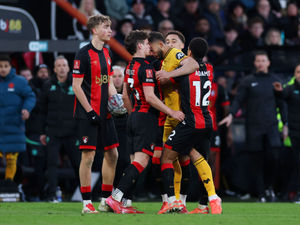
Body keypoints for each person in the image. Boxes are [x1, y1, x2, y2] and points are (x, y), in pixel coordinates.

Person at [105, 30, 185, 214]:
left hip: (133, 117)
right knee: (142, 161)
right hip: (146, 118)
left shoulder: (129, 66)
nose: (150, 45)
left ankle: (126, 203)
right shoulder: (147, 68)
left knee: (135, 160)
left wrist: (134, 115)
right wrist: (171, 111)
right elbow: (150, 97)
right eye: (147, 43)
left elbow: (125, 96)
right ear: (140, 45)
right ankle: (115, 197)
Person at [157, 37, 222, 214]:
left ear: (189, 52)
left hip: (190, 121)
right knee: (198, 157)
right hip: (207, 120)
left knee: (167, 158)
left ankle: (172, 201)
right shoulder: (210, 68)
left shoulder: (183, 71)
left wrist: (166, 71)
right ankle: (209, 201)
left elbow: (164, 82)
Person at [219, 51, 287, 202]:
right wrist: (231, 114)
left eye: (264, 60)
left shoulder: (276, 80)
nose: (261, 63)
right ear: (255, 63)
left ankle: (269, 187)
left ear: (268, 62)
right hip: (254, 126)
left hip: (271, 125)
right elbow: (238, 100)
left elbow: (282, 104)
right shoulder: (247, 81)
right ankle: (261, 193)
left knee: (274, 157)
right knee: (256, 161)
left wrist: (286, 123)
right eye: (258, 61)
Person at [72, 15, 119, 214]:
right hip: (87, 113)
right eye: (106, 27)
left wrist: (117, 103)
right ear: (94, 29)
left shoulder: (107, 53)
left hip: (105, 112)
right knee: (88, 157)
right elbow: (76, 86)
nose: (110, 30)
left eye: (110, 27)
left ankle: (106, 200)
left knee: (113, 154)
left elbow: (107, 82)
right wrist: (90, 111)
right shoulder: (83, 54)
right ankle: (86, 203)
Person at [38, 56, 81, 202]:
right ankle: (52, 195)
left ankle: (84, 195)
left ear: (69, 68)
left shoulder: (76, 85)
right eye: (59, 66)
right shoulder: (48, 85)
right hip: (53, 132)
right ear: (54, 69)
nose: (62, 68)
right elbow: (42, 110)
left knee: (78, 164)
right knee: (51, 164)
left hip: (72, 132)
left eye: (64, 65)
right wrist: (43, 132)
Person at [0, 55, 36, 185]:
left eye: (5, 66)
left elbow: (30, 97)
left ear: (10, 67)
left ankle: (9, 185)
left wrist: (27, 109)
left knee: (11, 159)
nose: (3, 69)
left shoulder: (20, 81)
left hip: (14, 127)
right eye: (0, 66)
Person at [273, 63, 300, 203]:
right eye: (298, 72)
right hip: (294, 132)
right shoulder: (290, 89)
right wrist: (278, 91)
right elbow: (282, 97)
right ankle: (292, 193)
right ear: (294, 74)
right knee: (295, 163)